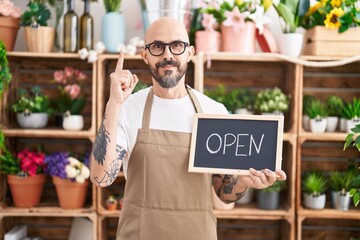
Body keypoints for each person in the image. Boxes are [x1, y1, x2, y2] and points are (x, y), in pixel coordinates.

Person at [90, 17, 287, 240]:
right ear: (145, 55)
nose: (167, 55)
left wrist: (243, 181)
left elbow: (223, 193)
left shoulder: (213, 111)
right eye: (157, 46)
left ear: (190, 53)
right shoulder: (127, 109)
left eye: (177, 45)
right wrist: (113, 104)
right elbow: (101, 178)